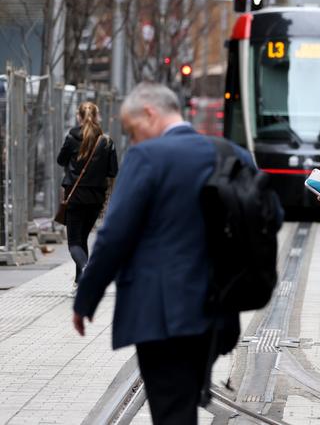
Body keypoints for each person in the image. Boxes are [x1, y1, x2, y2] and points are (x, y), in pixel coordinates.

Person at [72, 83, 267, 424]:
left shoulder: (147, 157)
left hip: (159, 312)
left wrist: (86, 299)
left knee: (171, 412)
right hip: (217, 311)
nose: (133, 140)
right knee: (183, 403)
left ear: (150, 113)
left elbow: (114, 235)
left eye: (133, 130)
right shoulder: (234, 155)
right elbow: (269, 217)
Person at [57, 102, 118, 293]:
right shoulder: (106, 141)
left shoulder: (72, 137)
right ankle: (79, 282)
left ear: (78, 117)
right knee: (83, 237)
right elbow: (113, 170)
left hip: (74, 195)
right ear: (98, 116)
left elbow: (60, 160)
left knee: (74, 242)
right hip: (96, 197)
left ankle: (86, 270)